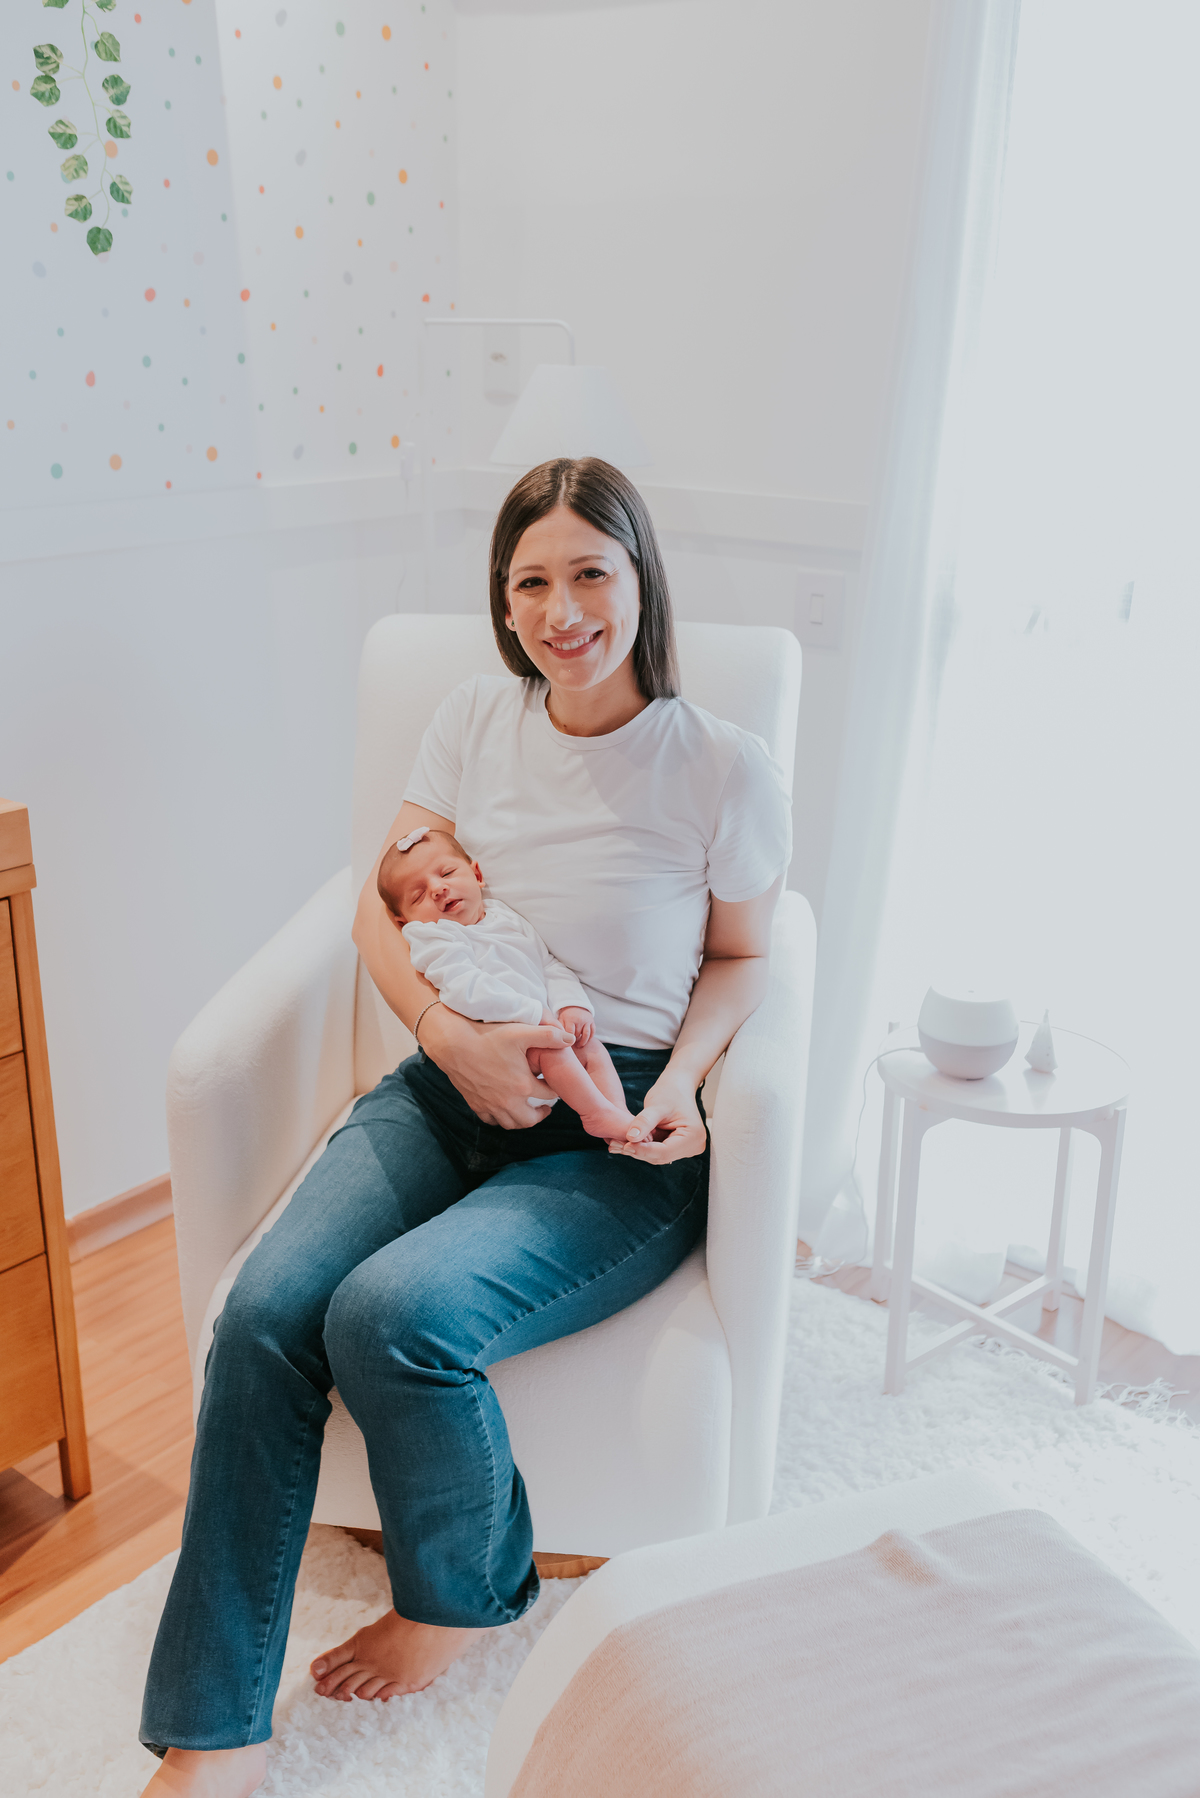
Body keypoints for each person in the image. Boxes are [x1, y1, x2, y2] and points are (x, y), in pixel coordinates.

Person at [139, 456, 791, 1798]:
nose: (562, 608)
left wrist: (681, 1085)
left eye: (589, 571)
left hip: (612, 1125)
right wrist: (449, 1041)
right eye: (531, 581)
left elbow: (743, 958)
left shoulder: (719, 764)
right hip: (450, 1082)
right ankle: (217, 1729)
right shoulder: (469, 726)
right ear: (504, 603)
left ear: (639, 576)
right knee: (265, 1306)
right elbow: (375, 905)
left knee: (394, 1311)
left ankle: (461, 1595)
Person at [377, 824, 638, 1141]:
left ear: (477, 875)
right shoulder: (434, 936)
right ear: (403, 921)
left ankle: (619, 1116)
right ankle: (595, 1115)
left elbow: (547, 964)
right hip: (494, 1041)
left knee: (589, 1047)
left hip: (539, 1028)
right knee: (552, 1050)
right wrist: (534, 1014)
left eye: (446, 873)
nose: (437, 889)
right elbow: (465, 989)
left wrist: (571, 1005)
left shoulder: (504, 916)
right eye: (418, 895)